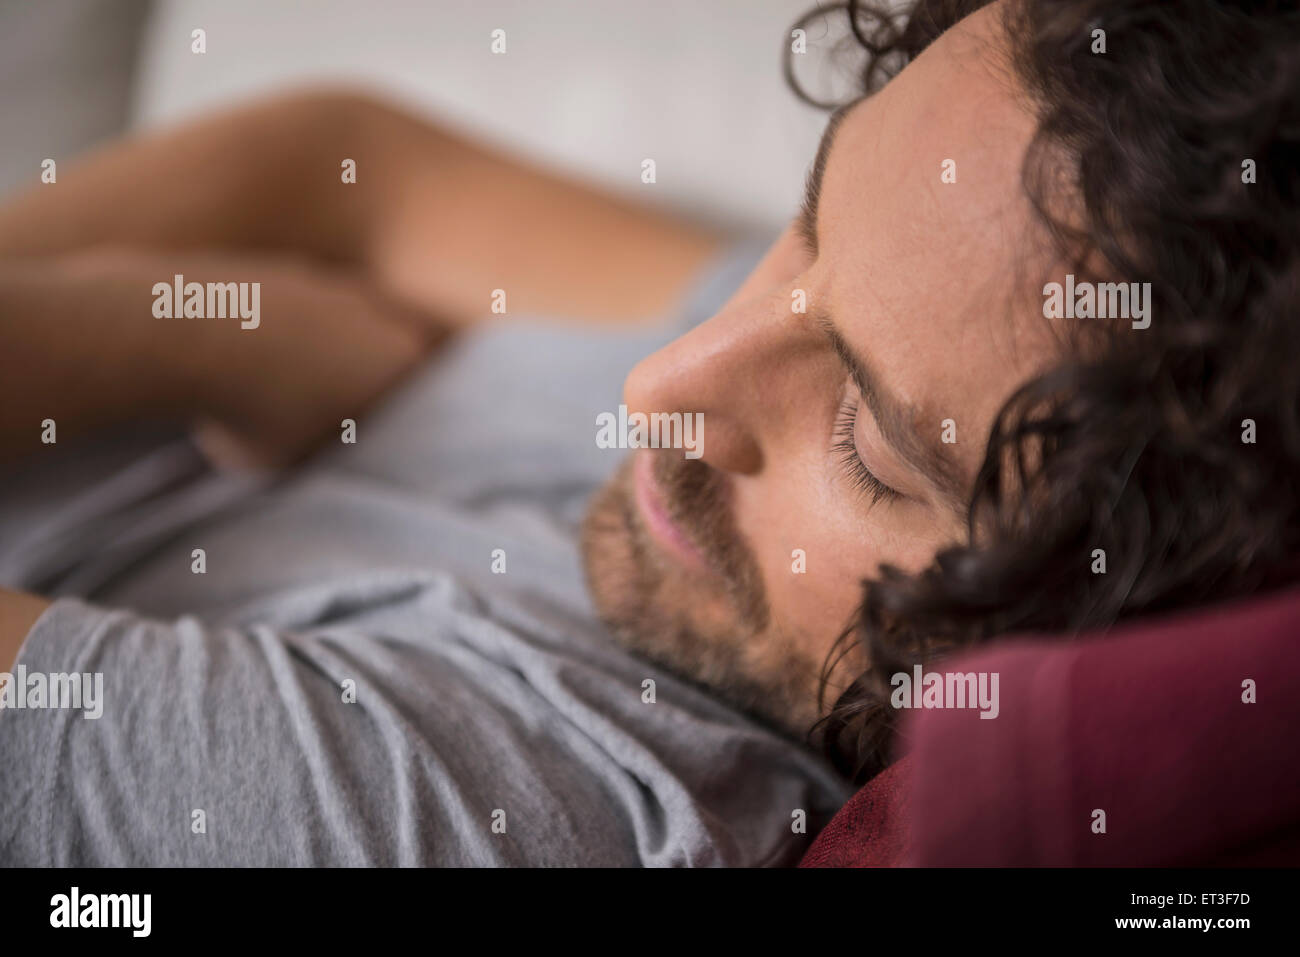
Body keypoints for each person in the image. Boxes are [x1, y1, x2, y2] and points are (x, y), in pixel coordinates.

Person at [2, 0, 1297, 864]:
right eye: (808, 222)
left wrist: (215, 338)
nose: (667, 379)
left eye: (870, 447)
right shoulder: (937, 296)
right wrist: (260, 337)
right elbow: (346, 166)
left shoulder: (507, 804)